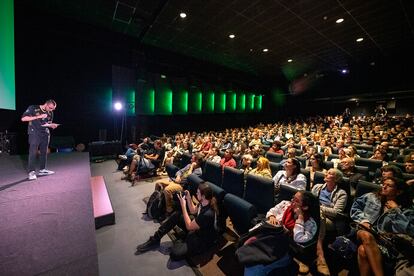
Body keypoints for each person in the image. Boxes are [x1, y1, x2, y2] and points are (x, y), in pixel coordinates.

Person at [135, 182, 218, 261]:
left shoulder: (208, 213)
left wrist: (183, 206)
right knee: (177, 215)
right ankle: (155, 239)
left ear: (203, 196)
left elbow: (189, 226)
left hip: (202, 240)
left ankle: (182, 238)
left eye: (198, 193)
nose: (196, 194)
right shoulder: (204, 202)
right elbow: (193, 211)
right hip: (196, 230)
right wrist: (188, 198)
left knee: (174, 255)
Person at [241, 191, 318, 276]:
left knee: (255, 267)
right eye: (293, 197)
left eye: (296, 200)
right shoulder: (285, 204)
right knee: (246, 248)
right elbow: (272, 211)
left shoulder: (310, 224)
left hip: (285, 250)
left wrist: (300, 217)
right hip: (268, 239)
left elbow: (298, 238)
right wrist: (272, 217)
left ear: (305, 207)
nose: (292, 201)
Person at [350, 177, 413, 276]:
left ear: (399, 192)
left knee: (362, 250)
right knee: (366, 235)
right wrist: (364, 220)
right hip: (362, 232)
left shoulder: (406, 210)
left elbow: (408, 230)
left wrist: (395, 210)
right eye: (384, 184)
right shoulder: (371, 196)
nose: (384, 186)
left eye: (389, 186)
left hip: (384, 242)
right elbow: (356, 208)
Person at [21, 99, 59, 180]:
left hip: (45, 133)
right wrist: (38, 116)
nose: (51, 110)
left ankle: (42, 169)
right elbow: (23, 119)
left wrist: (51, 125)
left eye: (53, 109)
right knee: (33, 152)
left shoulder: (50, 113)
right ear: (46, 104)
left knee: (44, 151)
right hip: (34, 133)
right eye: (50, 108)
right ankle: (31, 172)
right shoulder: (33, 108)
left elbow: (46, 123)